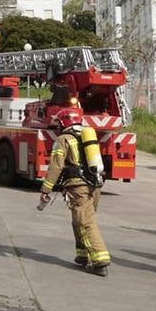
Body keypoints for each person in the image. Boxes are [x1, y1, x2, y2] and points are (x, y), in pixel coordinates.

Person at [40, 107, 110, 275]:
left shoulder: (63, 139)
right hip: (95, 185)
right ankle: (82, 256)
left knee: (85, 222)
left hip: (78, 187)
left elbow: (56, 165)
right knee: (80, 219)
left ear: (64, 122)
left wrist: (46, 189)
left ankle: (100, 261)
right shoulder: (88, 136)